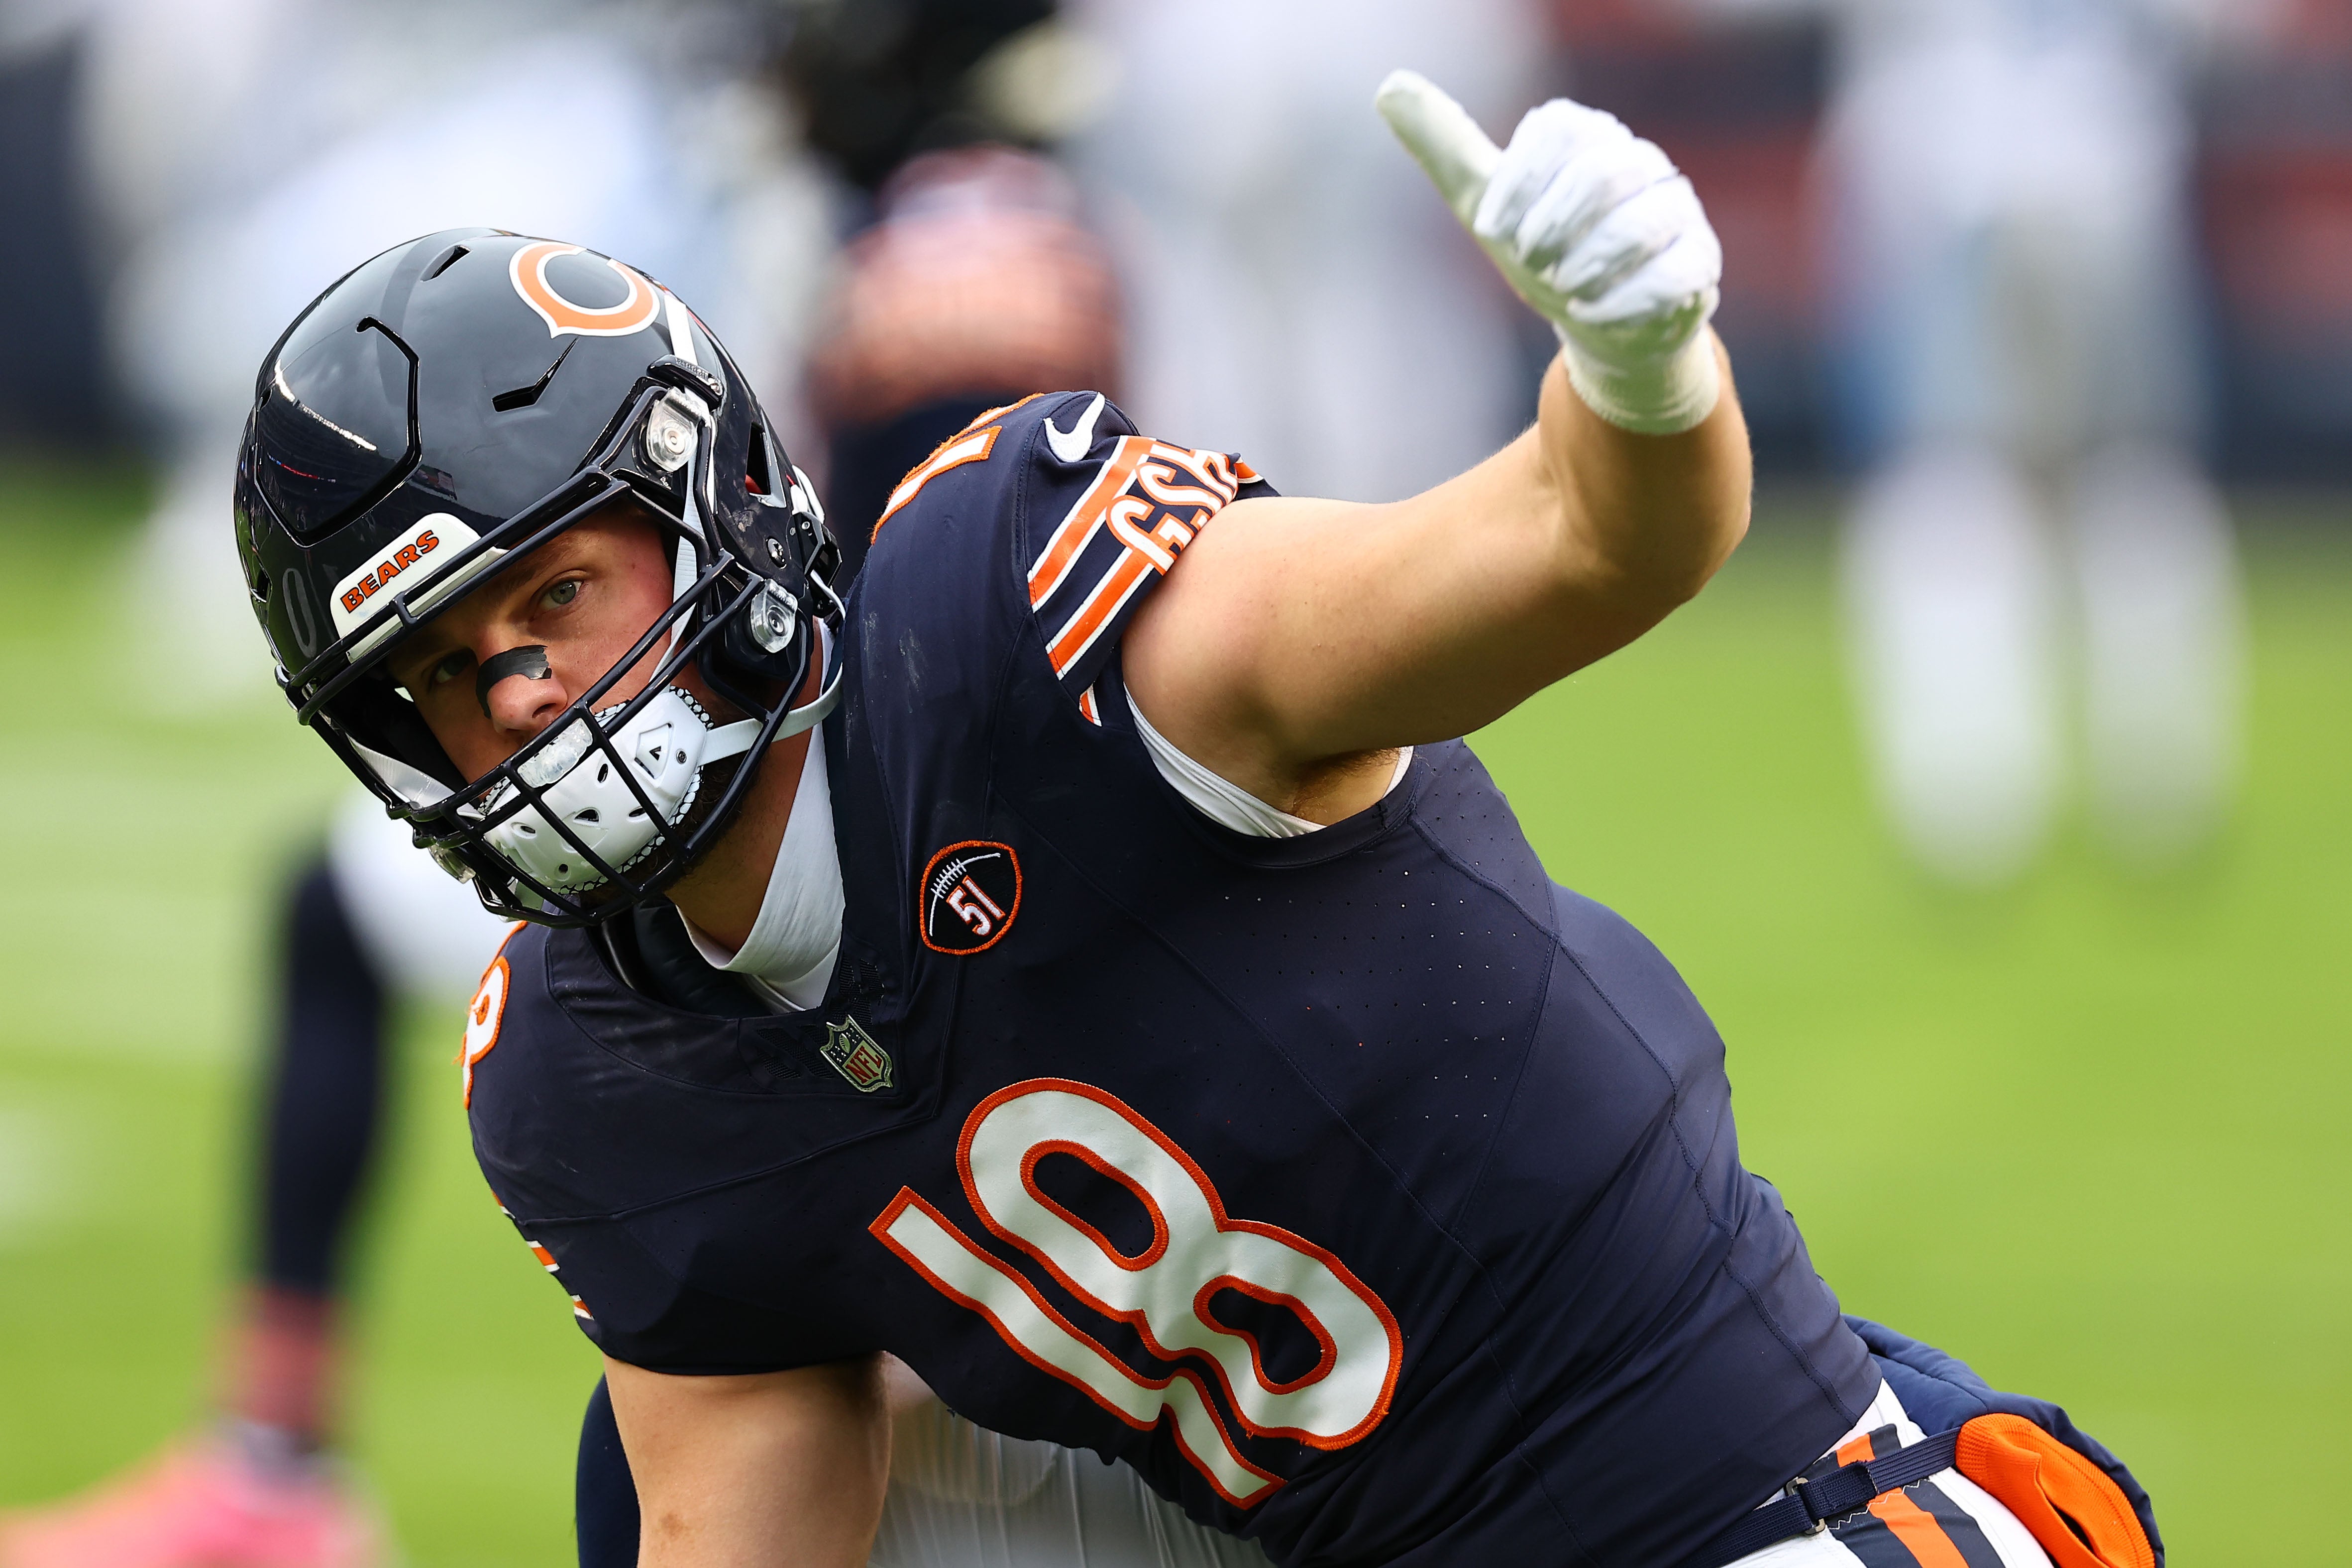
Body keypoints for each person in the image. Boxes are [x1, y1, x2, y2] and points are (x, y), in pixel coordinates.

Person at [228, 69, 2162, 1568]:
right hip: (1343, 1526)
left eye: (555, 595)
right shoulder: (588, 1068)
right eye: (441, 668)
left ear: (708, 501)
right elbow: (736, 1518)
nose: (519, 694)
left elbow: (1575, 549)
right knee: (633, 1476)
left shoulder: (1023, 616)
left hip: (1730, 1493)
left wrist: (1639, 374)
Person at [1689, 0, 2277, 880]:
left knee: (1993, 486)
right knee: (2091, 483)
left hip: (1970, 181)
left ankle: (1982, 805)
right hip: (2083, 177)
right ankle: (2130, 793)